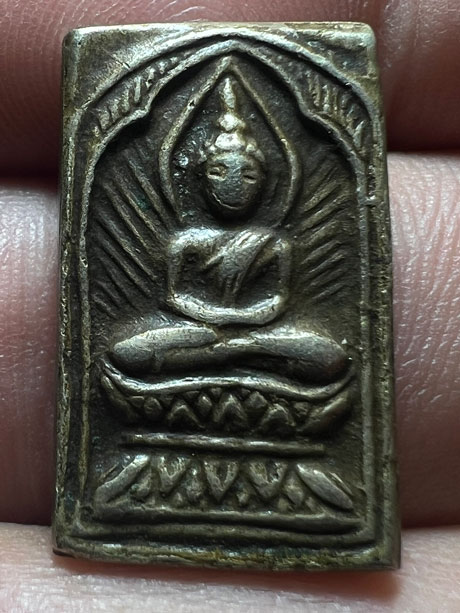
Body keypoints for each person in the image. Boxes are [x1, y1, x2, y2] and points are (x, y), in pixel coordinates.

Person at [1, 1, 460, 610]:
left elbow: (273, 302)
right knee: (128, 352)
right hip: (198, 337)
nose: (233, 184)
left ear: (267, 179)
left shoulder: (272, 242)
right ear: (198, 176)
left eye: (245, 174)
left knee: (328, 357)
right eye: (221, 172)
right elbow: (177, 299)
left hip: (251, 341)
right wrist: (218, 329)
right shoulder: (189, 241)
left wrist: (240, 333)